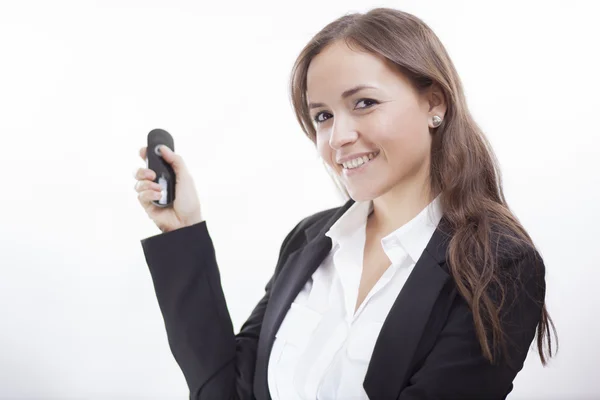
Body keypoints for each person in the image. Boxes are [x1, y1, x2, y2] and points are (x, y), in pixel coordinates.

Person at [133, 7, 557, 400]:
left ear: (434, 103)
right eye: (323, 116)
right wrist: (183, 230)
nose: (337, 138)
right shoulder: (310, 240)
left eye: (364, 103)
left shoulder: (497, 266)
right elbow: (226, 390)